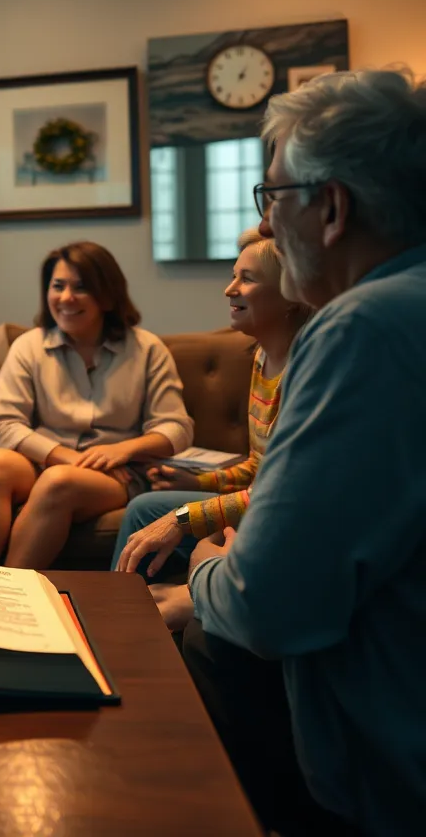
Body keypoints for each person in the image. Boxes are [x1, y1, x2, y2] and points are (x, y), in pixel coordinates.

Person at [183, 68, 426, 836]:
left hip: (389, 775)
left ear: (330, 208)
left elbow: (266, 604)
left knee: (199, 639)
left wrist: (203, 572)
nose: (266, 223)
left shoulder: (361, 328)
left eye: (271, 198)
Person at [111, 227, 310, 630]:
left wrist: (183, 518)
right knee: (143, 507)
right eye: (233, 275)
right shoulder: (260, 359)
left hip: (284, 514)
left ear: (290, 294)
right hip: (262, 500)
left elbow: (280, 489)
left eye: (247, 279)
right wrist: (198, 481)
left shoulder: (305, 368)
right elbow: (259, 465)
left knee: (161, 517)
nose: (229, 289)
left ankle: (130, 621)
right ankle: (118, 611)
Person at [0, 241, 193, 569]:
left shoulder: (146, 349)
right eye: (58, 286)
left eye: (81, 287)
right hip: (44, 461)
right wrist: (64, 457)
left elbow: (177, 428)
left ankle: (8, 593)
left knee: (60, 481)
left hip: (115, 475)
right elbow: (3, 426)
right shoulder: (29, 346)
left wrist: (123, 450)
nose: (66, 297)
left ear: (108, 295)